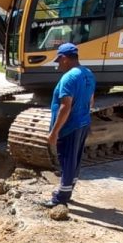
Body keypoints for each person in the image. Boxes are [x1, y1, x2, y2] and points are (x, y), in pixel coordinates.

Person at [40, 42, 96, 210]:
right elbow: (91, 100)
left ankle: (61, 198)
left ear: (65, 58)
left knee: (66, 161)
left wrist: (54, 132)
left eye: (59, 61)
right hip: (82, 122)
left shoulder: (69, 77)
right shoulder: (88, 73)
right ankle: (68, 189)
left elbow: (65, 106)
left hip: (70, 126)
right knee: (75, 160)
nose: (58, 65)